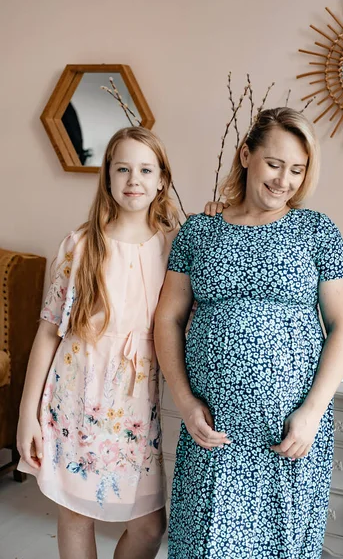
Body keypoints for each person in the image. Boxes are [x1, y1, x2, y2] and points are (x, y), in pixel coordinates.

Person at [154, 107, 343, 559]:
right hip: (214, 428)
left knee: (281, 545)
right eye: (274, 163)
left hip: (287, 429)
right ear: (246, 155)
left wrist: (312, 411)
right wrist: (186, 403)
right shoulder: (199, 231)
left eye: (297, 169)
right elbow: (167, 318)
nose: (284, 180)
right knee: (203, 543)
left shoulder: (318, 232)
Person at [16, 126, 219, 559]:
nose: (134, 180)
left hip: (135, 408)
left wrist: (215, 221)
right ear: (107, 176)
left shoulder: (175, 245)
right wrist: (26, 416)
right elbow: (49, 332)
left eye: (146, 170)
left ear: (162, 178)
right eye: (123, 168)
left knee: (149, 527)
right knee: (75, 513)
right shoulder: (81, 244)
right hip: (74, 395)